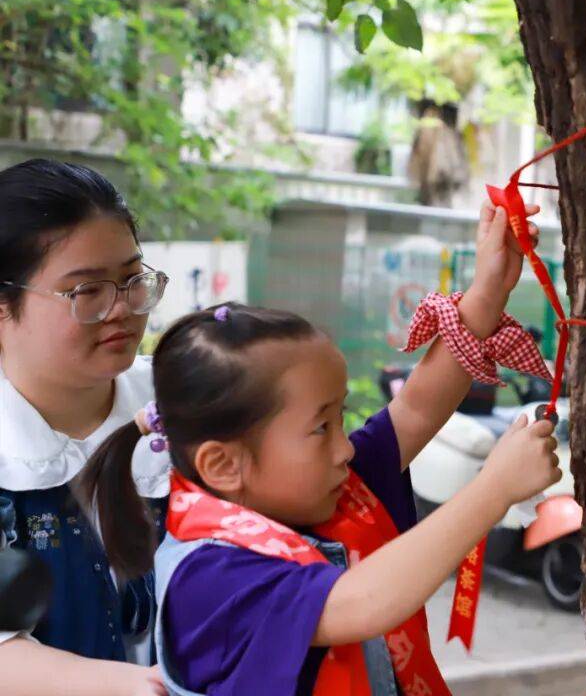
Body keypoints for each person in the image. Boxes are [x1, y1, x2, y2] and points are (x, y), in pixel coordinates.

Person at [83, 201, 559, 694]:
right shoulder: (208, 577)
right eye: (320, 427)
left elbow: (416, 408)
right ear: (224, 465)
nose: (345, 449)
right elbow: (361, 602)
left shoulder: (321, 487)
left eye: (340, 419)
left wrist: (489, 289)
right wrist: (494, 489)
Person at [0, 159, 171, 695]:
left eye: (131, 279)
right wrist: (149, 687)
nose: (122, 309)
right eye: (87, 291)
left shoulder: (183, 398)